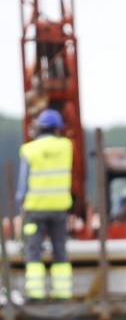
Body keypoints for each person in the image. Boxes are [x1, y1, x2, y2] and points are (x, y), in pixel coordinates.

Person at [16, 109, 73, 300]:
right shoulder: (66, 146)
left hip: (35, 209)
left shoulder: (29, 149)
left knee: (33, 250)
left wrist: (21, 202)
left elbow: (23, 182)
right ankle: (63, 292)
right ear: (58, 129)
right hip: (59, 208)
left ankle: (35, 293)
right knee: (60, 250)